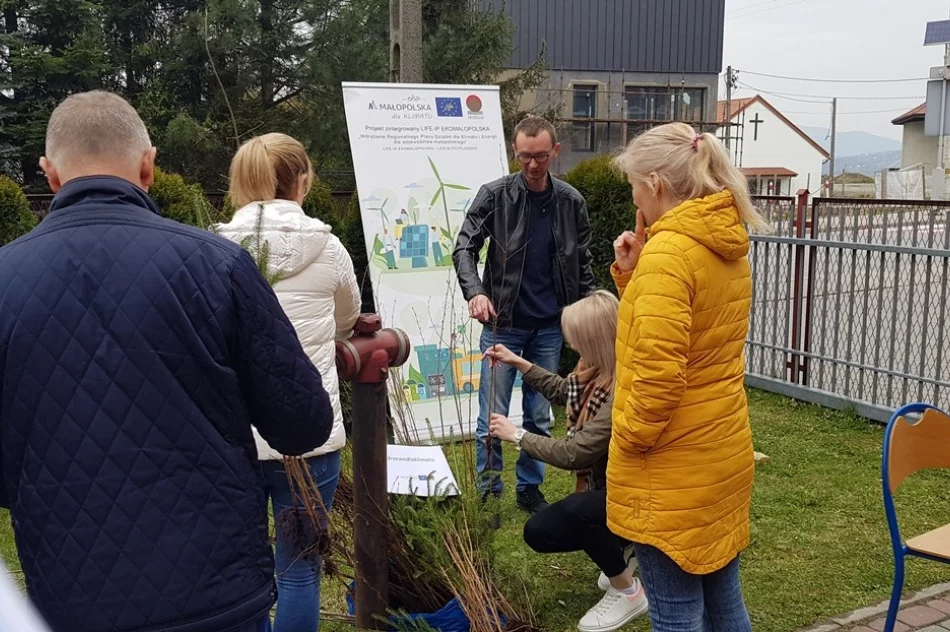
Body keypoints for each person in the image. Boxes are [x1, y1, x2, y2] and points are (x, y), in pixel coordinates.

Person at [0, 91, 334, 632]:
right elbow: (302, 423)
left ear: (50, 174)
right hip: (214, 592)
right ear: (148, 166)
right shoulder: (219, 266)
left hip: (71, 598)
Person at [608, 122, 768, 631]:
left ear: (655, 183)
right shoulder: (722, 243)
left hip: (670, 468)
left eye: (634, 185)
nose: (634, 197)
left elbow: (659, 372)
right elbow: (692, 336)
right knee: (724, 603)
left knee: (676, 615)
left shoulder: (670, 254)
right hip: (719, 451)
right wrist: (633, 273)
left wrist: (629, 436)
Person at [216, 132, 361, 632]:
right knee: (300, 570)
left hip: (235, 437)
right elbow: (348, 321)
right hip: (309, 434)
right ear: (303, 180)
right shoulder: (329, 248)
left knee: (240, 569)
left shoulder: (213, 249)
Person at [453, 116, 596, 515]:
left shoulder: (571, 202)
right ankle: (489, 491)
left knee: (539, 415)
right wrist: (476, 292)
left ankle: (529, 488)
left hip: (549, 328)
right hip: (503, 326)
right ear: (515, 151)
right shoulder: (494, 196)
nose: (533, 165)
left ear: (555, 151)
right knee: (491, 415)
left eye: (541, 156)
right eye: (525, 156)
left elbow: (582, 264)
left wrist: (589, 319)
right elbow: (464, 248)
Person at [486, 291, 648, 632]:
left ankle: (628, 590)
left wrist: (518, 436)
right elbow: (564, 390)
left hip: (641, 493)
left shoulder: (625, 387)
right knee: (541, 531)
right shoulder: (597, 369)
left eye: (577, 340)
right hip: (617, 487)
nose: (573, 346)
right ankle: (628, 547)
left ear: (597, 340)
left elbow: (576, 453)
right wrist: (518, 362)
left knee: (576, 513)